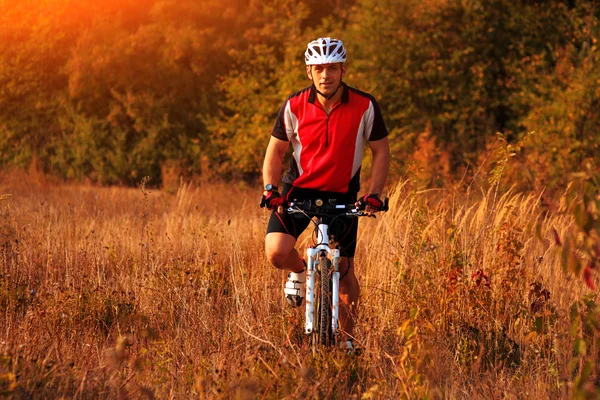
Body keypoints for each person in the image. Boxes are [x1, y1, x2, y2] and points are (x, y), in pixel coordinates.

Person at [260, 37, 390, 353]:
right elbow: (276, 152)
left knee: (344, 270)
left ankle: (348, 341)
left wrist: (374, 194)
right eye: (318, 68)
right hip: (298, 189)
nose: (325, 75)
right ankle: (300, 271)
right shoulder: (293, 105)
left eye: (332, 67)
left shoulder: (365, 105)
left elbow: (380, 151)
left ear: (343, 69)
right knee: (276, 252)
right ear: (309, 71)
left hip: (342, 193)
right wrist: (271, 190)